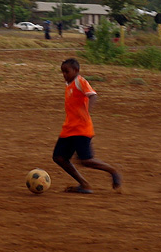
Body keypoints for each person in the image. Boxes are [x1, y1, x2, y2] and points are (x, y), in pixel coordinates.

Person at [52, 58, 122, 194]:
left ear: (76, 71)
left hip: (81, 128)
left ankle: (113, 171)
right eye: (62, 72)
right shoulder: (70, 84)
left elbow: (93, 95)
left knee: (86, 160)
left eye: (67, 71)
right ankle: (84, 184)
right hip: (69, 128)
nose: (64, 75)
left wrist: (87, 113)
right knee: (59, 157)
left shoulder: (80, 81)